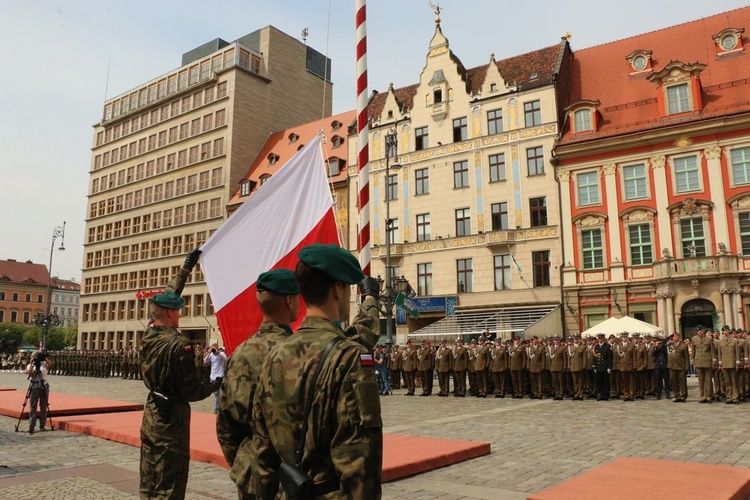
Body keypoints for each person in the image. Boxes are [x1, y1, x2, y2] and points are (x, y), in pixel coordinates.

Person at [251, 243, 382, 499]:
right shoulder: (350, 357)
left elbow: (262, 450)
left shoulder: (275, 353)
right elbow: (360, 465)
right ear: (337, 289)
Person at [139, 249, 222, 499]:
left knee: (148, 480)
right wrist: (214, 383)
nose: (180, 314)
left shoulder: (148, 335)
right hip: (172, 423)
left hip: (152, 413)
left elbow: (167, 296)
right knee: (170, 486)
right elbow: (191, 391)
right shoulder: (179, 345)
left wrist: (186, 268)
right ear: (172, 313)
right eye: (178, 311)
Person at [216, 269, 300, 499]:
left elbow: (225, 424)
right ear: (290, 300)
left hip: (251, 474)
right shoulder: (297, 351)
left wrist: (244, 461)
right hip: (293, 478)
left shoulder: (240, 352)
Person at [26, 350, 52, 434]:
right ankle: (31, 425)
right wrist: (31, 362)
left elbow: (50, 364)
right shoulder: (30, 365)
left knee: (43, 405)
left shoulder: (44, 364)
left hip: (44, 386)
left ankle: (42, 425)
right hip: (34, 386)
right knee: (33, 406)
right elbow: (29, 372)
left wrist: (44, 358)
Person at [692, 324, 716, 403]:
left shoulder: (709, 339)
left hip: (707, 361)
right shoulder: (694, 339)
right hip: (698, 361)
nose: (699, 332)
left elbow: (712, 351)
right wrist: (693, 362)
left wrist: (714, 361)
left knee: (708, 380)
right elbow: (693, 352)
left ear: (703, 331)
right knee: (700, 380)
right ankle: (702, 396)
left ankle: (709, 396)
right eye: (698, 330)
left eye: (700, 330)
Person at [204, 343, 227, 414]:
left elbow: (225, 359)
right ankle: (221, 405)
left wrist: (217, 353)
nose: (213, 349)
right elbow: (205, 361)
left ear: (217, 348)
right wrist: (209, 353)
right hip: (212, 376)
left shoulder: (222, 353)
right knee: (215, 393)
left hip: (219, 375)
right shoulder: (211, 355)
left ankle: (217, 408)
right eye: (212, 348)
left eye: (214, 348)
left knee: (217, 393)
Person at [593, 333, 612, 401]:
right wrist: (594, 366)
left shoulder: (607, 346)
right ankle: (600, 394)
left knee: (605, 382)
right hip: (598, 366)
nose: (600, 339)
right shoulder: (596, 346)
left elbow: (609, 357)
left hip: (604, 366)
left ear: (604, 338)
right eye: (599, 338)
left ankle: (606, 394)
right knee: (599, 382)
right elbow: (594, 357)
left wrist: (609, 367)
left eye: (601, 338)